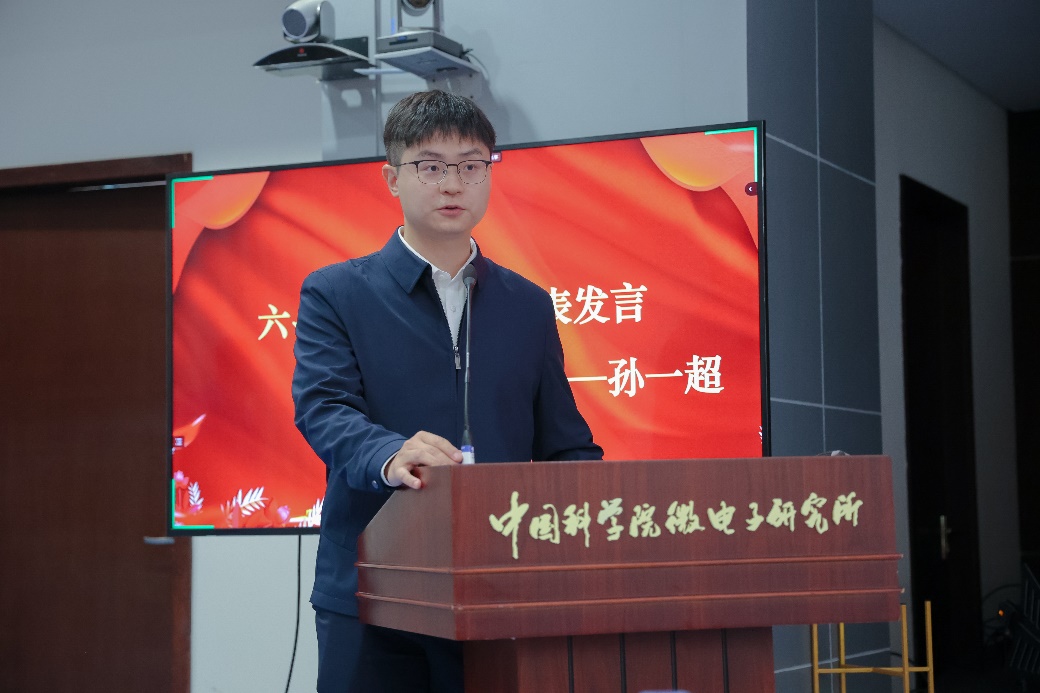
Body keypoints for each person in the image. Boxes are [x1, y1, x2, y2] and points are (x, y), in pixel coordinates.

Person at [291, 90, 603, 693]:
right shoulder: (337, 293)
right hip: (371, 589)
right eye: (430, 166)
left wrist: (603, 511)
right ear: (392, 179)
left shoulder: (528, 305)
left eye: (471, 165)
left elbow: (565, 443)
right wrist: (390, 453)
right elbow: (324, 408)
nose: (453, 183)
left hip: (499, 588)